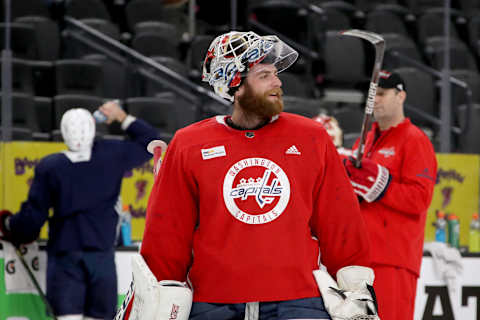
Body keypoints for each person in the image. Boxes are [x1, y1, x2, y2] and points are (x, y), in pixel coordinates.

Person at [117, 31, 377, 320]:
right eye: (264, 74)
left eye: (276, 74)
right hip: (214, 305)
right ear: (235, 84)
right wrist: (157, 294)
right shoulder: (189, 144)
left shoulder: (311, 138)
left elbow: (341, 224)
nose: (278, 82)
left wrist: (356, 290)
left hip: (299, 302)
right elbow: (167, 236)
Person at [0, 101, 159, 320]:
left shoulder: (51, 166)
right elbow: (151, 141)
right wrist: (121, 116)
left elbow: (32, 219)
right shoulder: (111, 156)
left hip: (65, 256)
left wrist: (9, 225)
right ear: (93, 129)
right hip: (101, 255)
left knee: (68, 316)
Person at [343, 70, 438, 320]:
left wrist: (382, 186)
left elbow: (420, 199)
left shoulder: (415, 141)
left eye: (382, 94)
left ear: (401, 96)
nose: (374, 99)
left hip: (393, 260)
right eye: (372, 94)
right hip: (358, 258)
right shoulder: (364, 141)